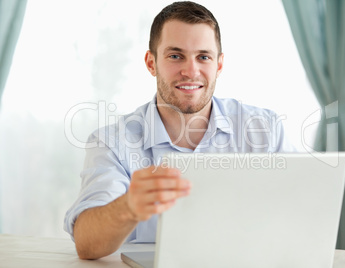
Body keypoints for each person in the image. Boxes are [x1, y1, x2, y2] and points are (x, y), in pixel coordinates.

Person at [64, 1, 295, 260]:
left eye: (203, 57)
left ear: (219, 65)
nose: (190, 71)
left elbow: (305, 213)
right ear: (151, 63)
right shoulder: (112, 143)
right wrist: (128, 207)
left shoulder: (266, 131)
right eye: (175, 56)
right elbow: (87, 244)